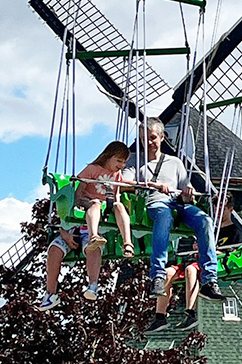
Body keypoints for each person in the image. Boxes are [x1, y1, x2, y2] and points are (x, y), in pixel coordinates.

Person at [124, 118, 225, 302]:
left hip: (178, 204)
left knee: (205, 220)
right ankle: (158, 275)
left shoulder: (175, 162)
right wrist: (154, 185)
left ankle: (209, 279)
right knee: (164, 217)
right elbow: (124, 182)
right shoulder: (134, 160)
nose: (148, 143)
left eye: (152, 137)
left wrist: (188, 194)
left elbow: (185, 192)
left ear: (162, 137)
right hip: (155, 203)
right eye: (144, 138)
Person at [40, 141, 139, 311]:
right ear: (109, 156)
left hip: (91, 228)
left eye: (124, 162)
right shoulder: (92, 170)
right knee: (54, 250)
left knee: (93, 249)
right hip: (75, 226)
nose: (121, 165)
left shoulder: (116, 176)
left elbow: (117, 196)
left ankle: (93, 284)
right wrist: (65, 232)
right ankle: (50, 293)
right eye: (119, 161)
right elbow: (75, 196)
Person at [148, 237, 202, 331]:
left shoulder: (214, 232)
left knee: (190, 270)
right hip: (187, 262)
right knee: (166, 273)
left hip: (204, 264)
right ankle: (160, 317)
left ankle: (191, 312)